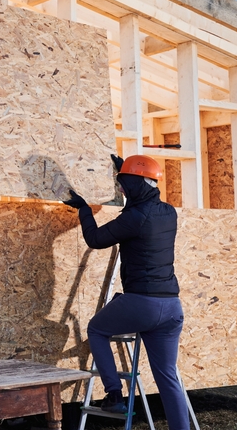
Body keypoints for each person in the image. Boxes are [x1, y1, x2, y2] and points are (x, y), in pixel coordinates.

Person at [64, 154, 189, 430]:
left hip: (143, 303)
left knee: (97, 329)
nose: (120, 189)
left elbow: (95, 239)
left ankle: (114, 394)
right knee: (168, 377)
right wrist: (126, 171)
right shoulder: (168, 212)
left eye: (123, 184)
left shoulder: (135, 216)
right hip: (171, 307)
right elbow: (140, 194)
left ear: (134, 186)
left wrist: (84, 209)